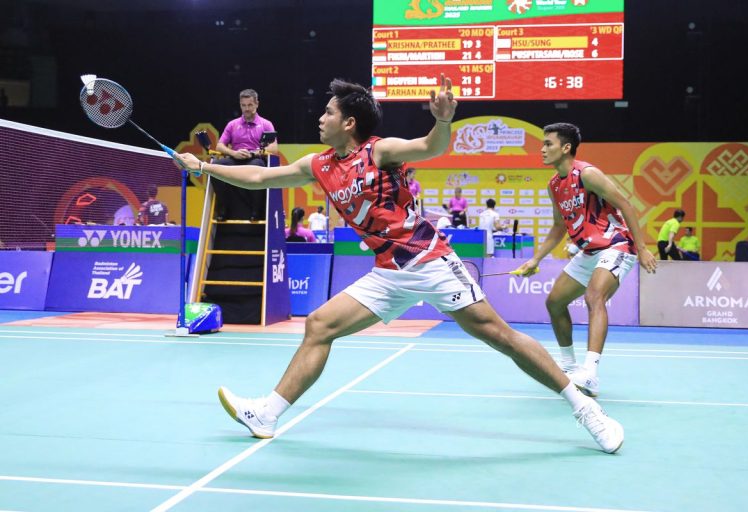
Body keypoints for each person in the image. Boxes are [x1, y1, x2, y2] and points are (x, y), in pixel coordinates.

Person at [176, 75, 624, 453]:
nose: (320, 118)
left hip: (428, 260)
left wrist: (443, 121)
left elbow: (429, 146)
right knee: (320, 325)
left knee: (501, 337)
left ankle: (586, 409)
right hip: (388, 272)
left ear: (349, 123)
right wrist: (205, 167)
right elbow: (259, 176)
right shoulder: (320, 164)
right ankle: (267, 413)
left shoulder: (379, 151)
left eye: (328, 113)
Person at [516, 123, 656, 398]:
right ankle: (569, 368)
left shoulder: (587, 174)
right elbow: (559, 227)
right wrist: (535, 259)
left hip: (616, 244)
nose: (542, 149)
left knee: (594, 296)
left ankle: (590, 374)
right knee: (554, 302)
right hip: (589, 251)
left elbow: (625, 204)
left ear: (566, 147)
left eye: (548, 144)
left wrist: (642, 248)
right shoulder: (554, 185)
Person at [213, 88, 278, 221]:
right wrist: (233, 153)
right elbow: (219, 146)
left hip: (255, 159)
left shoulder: (266, 124)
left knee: (257, 166)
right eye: (243, 105)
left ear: (257, 104)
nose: (246, 109)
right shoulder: (232, 124)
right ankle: (223, 209)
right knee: (215, 166)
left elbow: (274, 148)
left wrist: (254, 153)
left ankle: (256, 211)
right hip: (235, 158)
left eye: (250, 105)